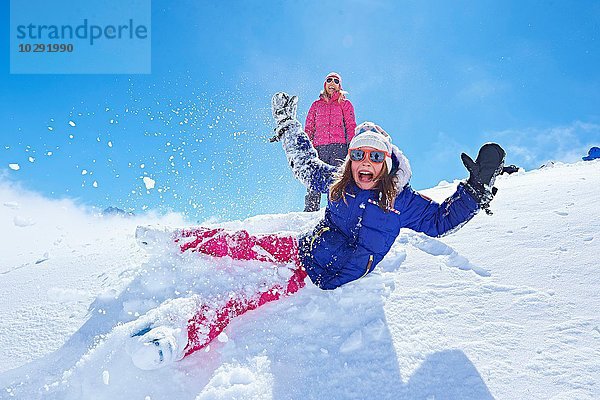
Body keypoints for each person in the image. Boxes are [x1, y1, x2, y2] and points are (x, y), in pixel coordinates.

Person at [127, 92, 506, 370]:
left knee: (243, 298)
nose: (366, 162)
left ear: (387, 163)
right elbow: (306, 164)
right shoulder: (340, 183)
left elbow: (440, 221)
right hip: (305, 247)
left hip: (320, 277)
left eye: (376, 156)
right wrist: (287, 125)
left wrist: (474, 191)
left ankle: (176, 340)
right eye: (359, 154)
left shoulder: (400, 202)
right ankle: (176, 240)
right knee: (241, 244)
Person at [302, 72, 357, 212]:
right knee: (314, 178)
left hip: (339, 147)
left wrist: (351, 146)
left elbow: (350, 125)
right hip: (318, 148)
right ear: (325, 84)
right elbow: (309, 127)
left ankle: (336, 212)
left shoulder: (344, 104)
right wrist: (306, 147)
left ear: (339, 86)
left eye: (336, 81)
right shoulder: (316, 105)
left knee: (337, 180)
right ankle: (310, 210)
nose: (332, 83)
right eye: (329, 80)